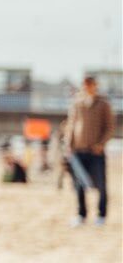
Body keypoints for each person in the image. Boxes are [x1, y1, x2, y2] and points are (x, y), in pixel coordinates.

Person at [63, 74, 113, 227]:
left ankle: (101, 216)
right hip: (78, 150)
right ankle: (81, 215)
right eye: (85, 84)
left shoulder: (103, 104)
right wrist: (68, 145)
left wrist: (101, 144)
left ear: (95, 85)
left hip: (96, 151)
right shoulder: (77, 104)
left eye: (90, 84)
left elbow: (109, 128)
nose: (87, 86)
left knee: (101, 185)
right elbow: (71, 125)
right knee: (79, 185)